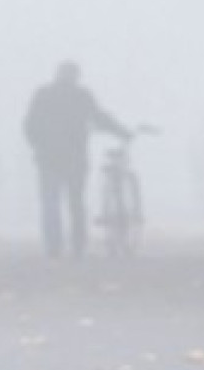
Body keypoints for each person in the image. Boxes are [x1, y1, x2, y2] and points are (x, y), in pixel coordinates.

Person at [23, 61, 127, 258]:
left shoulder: (43, 95)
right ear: (76, 76)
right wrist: (121, 131)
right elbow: (99, 117)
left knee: (50, 203)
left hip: (48, 158)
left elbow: (29, 124)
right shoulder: (81, 96)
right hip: (75, 158)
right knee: (75, 202)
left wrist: (38, 146)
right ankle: (78, 246)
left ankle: (54, 248)